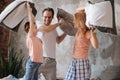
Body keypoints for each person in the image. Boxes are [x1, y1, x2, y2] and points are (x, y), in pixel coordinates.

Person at [0, 2, 63, 80]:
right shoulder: (31, 36)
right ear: (30, 30)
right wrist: (29, 10)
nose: (36, 28)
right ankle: (10, 78)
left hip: (38, 63)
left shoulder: (37, 38)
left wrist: (66, 31)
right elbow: (32, 20)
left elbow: (56, 39)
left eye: (35, 26)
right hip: (32, 63)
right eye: (34, 27)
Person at [65, 8, 99, 80]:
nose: (73, 21)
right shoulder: (79, 31)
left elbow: (96, 46)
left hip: (81, 62)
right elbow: (77, 10)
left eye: (75, 20)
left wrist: (92, 32)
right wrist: (87, 8)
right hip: (75, 60)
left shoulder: (88, 33)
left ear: (80, 21)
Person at [37, 7, 67, 80]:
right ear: (42, 17)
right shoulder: (38, 24)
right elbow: (46, 30)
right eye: (45, 17)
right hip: (39, 59)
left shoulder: (53, 29)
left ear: (52, 17)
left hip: (51, 61)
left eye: (49, 17)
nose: (47, 19)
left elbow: (58, 40)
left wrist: (66, 32)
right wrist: (59, 23)